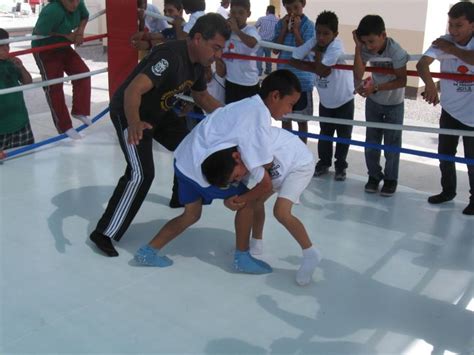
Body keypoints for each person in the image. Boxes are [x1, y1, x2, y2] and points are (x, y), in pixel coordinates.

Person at [133, 70, 302, 274]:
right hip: (204, 170)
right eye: (290, 104)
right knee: (247, 202)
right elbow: (264, 168)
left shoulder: (246, 104)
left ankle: (148, 251)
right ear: (275, 96)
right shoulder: (258, 117)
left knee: (191, 214)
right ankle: (242, 257)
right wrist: (245, 194)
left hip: (184, 161)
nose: (288, 111)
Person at [89, 14, 231, 257]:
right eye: (216, 47)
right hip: (130, 112)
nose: (217, 55)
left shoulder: (198, 64)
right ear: (198, 39)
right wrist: (133, 122)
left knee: (190, 146)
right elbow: (133, 90)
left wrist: (235, 116)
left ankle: (179, 197)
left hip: (160, 113)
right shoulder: (170, 57)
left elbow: (203, 98)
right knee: (141, 173)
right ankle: (104, 232)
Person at [416, 1, 474, 215]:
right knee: (445, 154)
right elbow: (422, 64)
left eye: (459, 25)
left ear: (473, 25)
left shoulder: (448, 45)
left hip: (473, 114)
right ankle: (447, 191)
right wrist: (430, 86)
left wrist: (451, 50)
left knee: (472, 160)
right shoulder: (444, 41)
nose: (453, 30)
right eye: (451, 24)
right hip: (450, 110)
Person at [244, 127, 320, 285]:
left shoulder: (252, 143)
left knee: (281, 212)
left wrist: (240, 198)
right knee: (255, 201)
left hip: (299, 165)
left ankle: (310, 253)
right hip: (280, 168)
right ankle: (256, 244)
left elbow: (265, 173)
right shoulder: (243, 146)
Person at [290, 11, 354, 181]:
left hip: (344, 99)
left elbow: (323, 72)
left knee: (343, 135)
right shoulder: (315, 41)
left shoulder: (336, 46)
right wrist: (313, 50)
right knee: (325, 133)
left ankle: (341, 166)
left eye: (326, 33)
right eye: (318, 32)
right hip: (326, 100)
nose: (321, 37)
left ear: (335, 34)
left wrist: (314, 56)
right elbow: (294, 57)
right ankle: (324, 162)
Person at [353, 14, 408, 196]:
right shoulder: (365, 48)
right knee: (371, 143)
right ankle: (374, 176)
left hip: (394, 104)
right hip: (374, 102)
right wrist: (358, 48)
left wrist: (376, 87)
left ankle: (391, 180)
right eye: (365, 42)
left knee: (392, 145)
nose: (369, 46)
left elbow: (402, 80)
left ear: (383, 35)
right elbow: (358, 73)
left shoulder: (396, 51)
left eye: (371, 41)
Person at [31, 0, 92, 140]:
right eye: (71, 1)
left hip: (62, 45)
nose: (75, 4)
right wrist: (65, 35)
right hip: (44, 47)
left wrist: (79, 32)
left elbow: (85, 16)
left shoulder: (79, 3)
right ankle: (65, 127)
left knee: (83, 73)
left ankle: (79, 111)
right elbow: (39, 33)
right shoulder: (52, 10)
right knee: (54, 86)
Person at [273, 0, 315, 143]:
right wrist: (284, 30)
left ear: (303, 4)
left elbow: (304, 52)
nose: (292, 12)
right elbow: (275, 49)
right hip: (284, 79)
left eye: (296, 7)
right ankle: (287, 150)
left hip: (302, 81)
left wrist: (296, 30)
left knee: (302, 121)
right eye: (288, 8)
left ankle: (301, 152)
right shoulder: (280, 24)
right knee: (285, 118)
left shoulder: (309, 26)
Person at [0, 28, 35, 154]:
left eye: (7, 45)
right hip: (1, 127)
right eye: (1, 46)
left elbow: (28, 82)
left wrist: (21, 68)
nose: (6, 49)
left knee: (27, 159)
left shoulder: (11, 63)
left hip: (20, 122)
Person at [223, 0, 261, 104]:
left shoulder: (250, 30)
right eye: (233, 12)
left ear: (248, 14)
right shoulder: (227, 31)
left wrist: (236, 31)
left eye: (241, 13)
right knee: (232, 114)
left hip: (248, 83)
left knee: (249, 115)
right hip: (231, 81)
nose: (236, 16)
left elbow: (253, 43)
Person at [255, 5, 279, 76]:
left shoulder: (262, 19)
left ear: (267, 11)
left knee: (259, 57)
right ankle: (268, 70)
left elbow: (254, 27)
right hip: (270, 42)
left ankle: (259, 72)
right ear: (274, 12)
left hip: (261, 41)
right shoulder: (278, 20)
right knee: (268, 56)